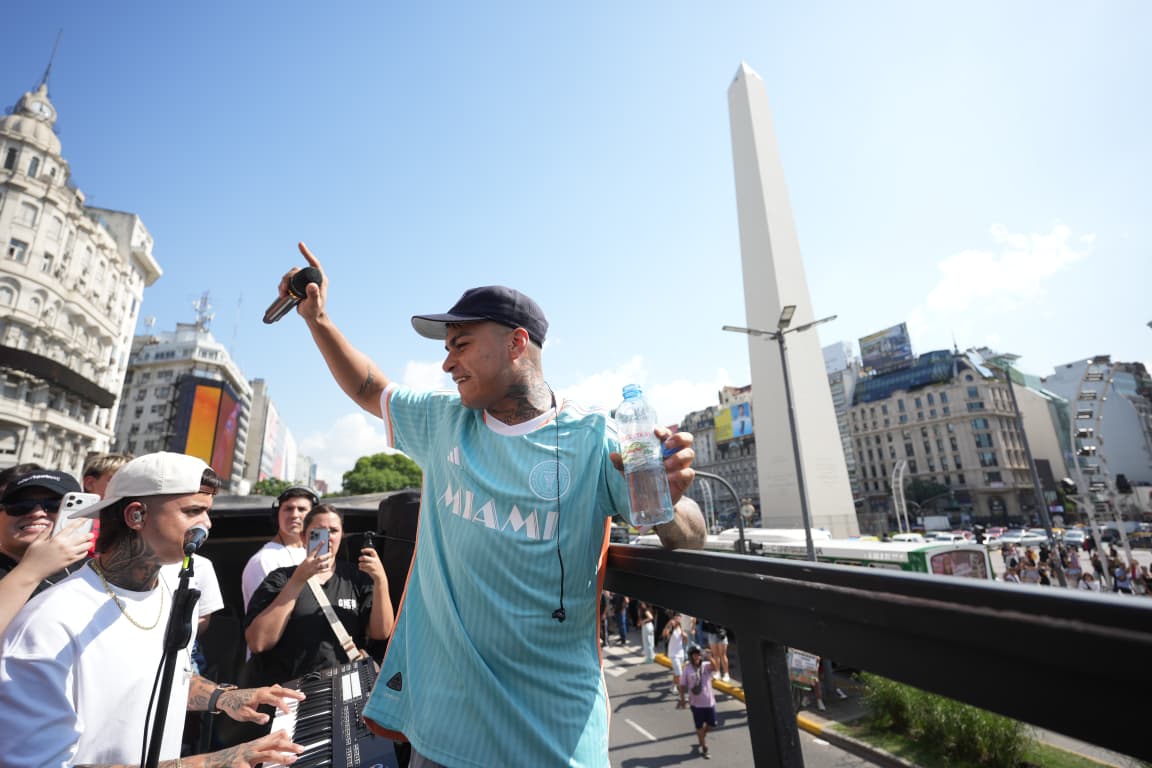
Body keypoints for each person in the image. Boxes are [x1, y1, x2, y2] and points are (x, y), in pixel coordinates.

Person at [277, 244, 706, 766]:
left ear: (516, 344)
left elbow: (689, 534)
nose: (446, 363)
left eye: (460, 345)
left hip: (553, 738)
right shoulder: (444, 421)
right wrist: (317, 319)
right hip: (444, 733)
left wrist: (670, 496)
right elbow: (370, 386)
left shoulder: (594, 436)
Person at [0, 452, 305, 767]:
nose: (207, 524)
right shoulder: (49, 621)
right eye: (193, 511)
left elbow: (161, 679)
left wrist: (223, 697)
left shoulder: (170, 592)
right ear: (136, 515)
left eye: (208, 511)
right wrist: (210, 763)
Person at [243, 503, 394, 686]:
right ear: (303, 537)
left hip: (343, 688)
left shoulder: (355, 577)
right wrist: (297, 581)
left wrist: (380, 581)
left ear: (342, 535)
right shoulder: (281, 578)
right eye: (319, 532)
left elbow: (381, 632)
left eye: (334, 531)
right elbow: (258, 642)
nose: (327, 537)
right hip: (290, 691)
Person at [0, 469, 93, 637]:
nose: (36, 513)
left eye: (55, 505)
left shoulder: (93, 570)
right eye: (20, 506)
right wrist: (32, 570)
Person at [240, 484, 319, 610]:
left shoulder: (315, 554)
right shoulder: (264, 560)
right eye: (288, 509)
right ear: (277, 514)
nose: (295, 515)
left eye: (302, 509)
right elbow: (263, 617)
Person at [680, 645, 718, 759]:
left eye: (698, 654)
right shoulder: (687, 669)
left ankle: (702, 735)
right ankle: (704, 747)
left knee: (712, 724)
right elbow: (682, 685)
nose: (697, 656)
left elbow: (715, 667)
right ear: (691, 656)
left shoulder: (705, 666)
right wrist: (682, 700)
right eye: (695, 654)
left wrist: (710, 657)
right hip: (696, 704)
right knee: (699, 726)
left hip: (709, 702)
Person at [663, 613, 689, 708]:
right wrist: (669, 625)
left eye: (679, 618)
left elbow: (685, 641)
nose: (678, 620)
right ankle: (682, 694)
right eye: (676, 618)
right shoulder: (671, 628)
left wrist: (684, 636)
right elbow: (664, 634)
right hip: (673, 655)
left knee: (676, 673)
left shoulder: (681, 628)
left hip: (680, 654)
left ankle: (673, 687)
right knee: (680, 674)